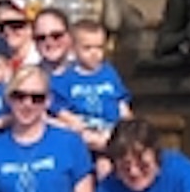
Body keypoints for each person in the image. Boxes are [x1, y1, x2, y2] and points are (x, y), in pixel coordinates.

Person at [52, 19, 133, 154]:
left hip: (111, 131)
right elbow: (56, 105)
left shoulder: (109, 73)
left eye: (99, 47)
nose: (94, 53)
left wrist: (127, 125)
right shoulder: (66, 77)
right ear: (73, 49)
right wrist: (70, 120)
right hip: (83, 132)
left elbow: (121, 103)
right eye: (87, 48)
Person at [0, 0, 38, 71]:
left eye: (15, 25)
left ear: (31, 27)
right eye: (0, 27)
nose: (7, 31)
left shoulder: (45, 63)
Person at [32, 7, 73, 75]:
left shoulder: (88, 74)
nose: (49, 42)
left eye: (56, 35)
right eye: (41, 37)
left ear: (70, 36)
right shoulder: (27, 80)